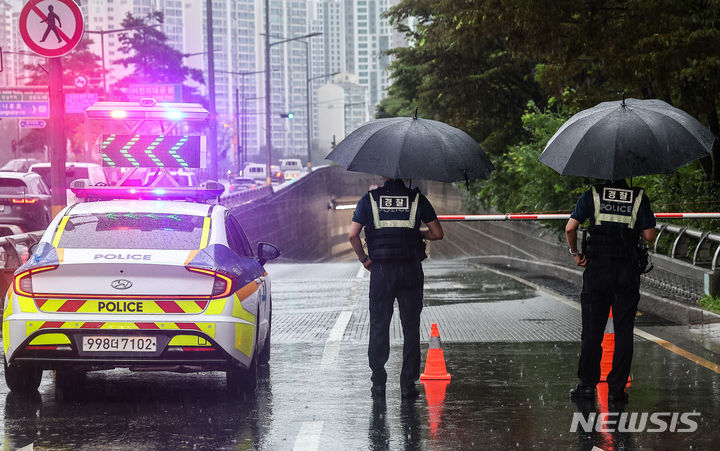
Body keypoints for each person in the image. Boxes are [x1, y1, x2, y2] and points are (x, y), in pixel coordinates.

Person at [349, 178, 444, 398]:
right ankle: (407, 385)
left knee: (379, 325)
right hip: (410, 270)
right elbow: (437, 233)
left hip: (382, 272)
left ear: (384, 176)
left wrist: (364, 259)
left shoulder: (369, 200)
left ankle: (379, 383)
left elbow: (353, 235)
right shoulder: (418, 199)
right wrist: (417, 234)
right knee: (411, 328)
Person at [566, 179, 656, 404]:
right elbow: (649, 236)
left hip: (597, 271)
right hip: (626, 272)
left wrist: (575, 253)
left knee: (592, 330)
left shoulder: (592, 195)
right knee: (624, 331)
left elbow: (570, 228)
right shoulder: (638, 197)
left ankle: (587, 385)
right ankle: (617, 390)